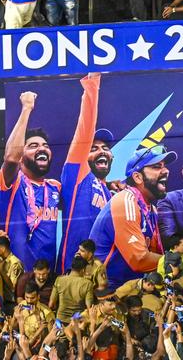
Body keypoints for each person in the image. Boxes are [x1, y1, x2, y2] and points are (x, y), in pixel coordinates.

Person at [90, 145, 173, 288]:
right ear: (138, 177)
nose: (166, 171)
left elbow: (155, 253)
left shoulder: (151, 209)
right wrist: (179, 263)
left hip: (132, 289)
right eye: (157, 167)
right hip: (107, 294)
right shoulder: (126, 200)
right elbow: (139, 260)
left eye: (164, 166)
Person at [0, 92, 61, 269]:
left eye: (45, 146)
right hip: (15, 277)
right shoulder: (11, 181)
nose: (42, 149)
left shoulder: (55, 187)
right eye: (33, 146)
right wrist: (27, 108)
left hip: (47, 277)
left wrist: (109, 184)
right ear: (22, 155)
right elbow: (10, 158)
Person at [57, 73, 114, 273]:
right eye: (94, 147)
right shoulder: (78, 176)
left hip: (100, 277)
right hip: (72, 275)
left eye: (106, 147)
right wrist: (92, 85)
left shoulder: (109, 194)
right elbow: (85, 132)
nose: (102, 151)